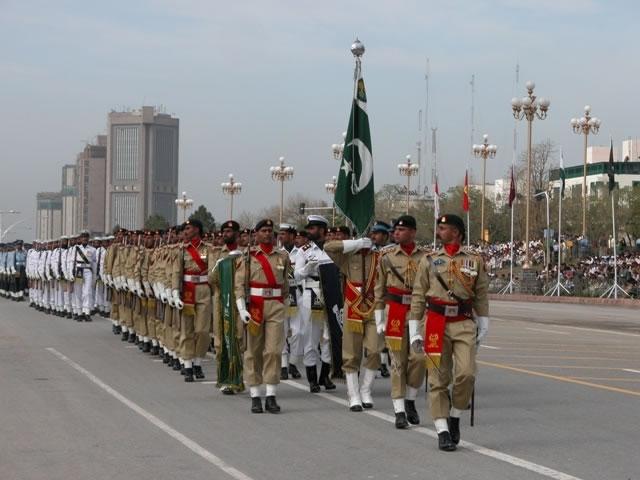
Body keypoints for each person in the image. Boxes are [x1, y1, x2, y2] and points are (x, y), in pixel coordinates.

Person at [409, 214, 489, 451]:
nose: (439, 232)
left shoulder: (474, 260)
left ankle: (455, 414)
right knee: (437, 378)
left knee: (466, 374)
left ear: (456, 232)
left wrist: (484, 322)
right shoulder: (429, 260)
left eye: (443, 228)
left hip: (463, 322)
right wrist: (415, 329)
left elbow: (481, 293)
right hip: (434, 322)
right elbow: (417, 295)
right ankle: (442, 429)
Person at [374, 215, 427, 428]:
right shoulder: (386, 257)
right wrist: (379, 317)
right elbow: (379, 288)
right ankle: (399, 411)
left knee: (419, 359)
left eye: (402, 230)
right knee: (397, 362)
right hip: (394, 310)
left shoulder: (426, 257)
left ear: (413, 232)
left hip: (417, 312)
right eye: (395, 230)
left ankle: (411, 399)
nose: (396, 233)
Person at [235, 219, 290, 413]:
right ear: (256, 235)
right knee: (253, 351)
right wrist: (242, 308)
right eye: (263, 231)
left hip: (275, 306)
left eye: (270, 230)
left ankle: (271, 395)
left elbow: (285, 286)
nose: (267, 234)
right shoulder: (248, 257)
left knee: (274, 351)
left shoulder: (282, 256)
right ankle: (255, 395)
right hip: (255, 307)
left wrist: (285, 306)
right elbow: (239, 284)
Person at [325, 230, 383, 412]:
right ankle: (354, 394)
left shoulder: (380, 257)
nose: (369, 239)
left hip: (374, 307)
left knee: (374, 351)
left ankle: (366, 390)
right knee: (351, 353)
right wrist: (355, 244)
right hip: (353, 306)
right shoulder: (348, 257)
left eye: (370, 236)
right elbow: (328, 247)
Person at [294, 215, 336, 393]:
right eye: (309, 228)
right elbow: (296, 275)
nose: (309, 231)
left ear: (321, 230)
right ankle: (312, 379)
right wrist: (307, 269)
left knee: (329, 337)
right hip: (312, 292)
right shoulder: (304, 250)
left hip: (331, 292)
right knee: (311, 336)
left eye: (312, 228)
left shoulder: (332, 248)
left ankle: (325, 374)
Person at [172, 220, 212, 382]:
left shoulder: (209, 249)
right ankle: (188, 365)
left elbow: (213, 271)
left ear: (197, 229)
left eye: (188, 228)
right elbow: (176, 272)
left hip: (203, 290)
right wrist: (175, 292)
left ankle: (198, 361)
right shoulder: (182, 250)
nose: (185, 231)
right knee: (187, 329)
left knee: (202, 330)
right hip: (187, 290)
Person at [208, 220, 244, 393]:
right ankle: (225, 377)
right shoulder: (216, 253)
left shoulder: (245, 254)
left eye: (229, 231)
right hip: (221, 301)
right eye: (224, 231)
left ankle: (238, 376)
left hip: (241, 301)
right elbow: (211, 279)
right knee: (220, 340)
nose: (226, 234)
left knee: (238, 338)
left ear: (237, 234)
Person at [277, 223, 302, 380]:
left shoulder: (301, 253)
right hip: (283, 295)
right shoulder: (277, 254)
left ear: (292, 236)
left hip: (298, 294)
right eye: (280, 234)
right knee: (282, 330)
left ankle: (293, 362)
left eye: (284, 234)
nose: (281, 237)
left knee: (298, 332)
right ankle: (284, 365)